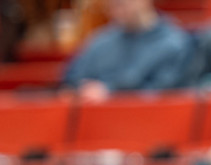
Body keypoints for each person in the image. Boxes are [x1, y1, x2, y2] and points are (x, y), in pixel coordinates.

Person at [61, 0, 192, 102]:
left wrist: (110, 92)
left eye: (122, 3)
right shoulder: (101, 41)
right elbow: (72, 78)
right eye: (111, 5)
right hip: (97, 123)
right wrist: (82, 89)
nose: (116, 10)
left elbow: (166, 93)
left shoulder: (174, 43)